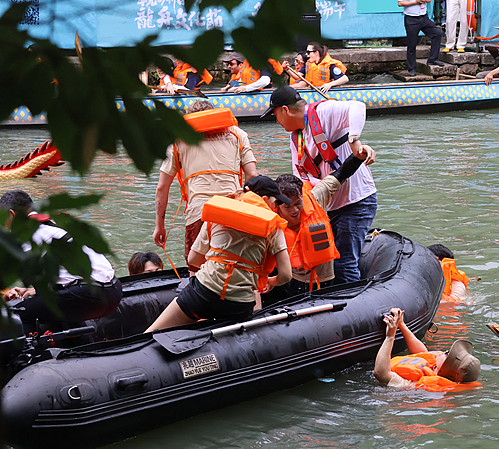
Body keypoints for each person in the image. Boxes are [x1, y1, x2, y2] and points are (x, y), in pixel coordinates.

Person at [145, 176, 292, 332]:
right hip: (239, 304)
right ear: (264, 199)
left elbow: (193, 259)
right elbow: (286, 275)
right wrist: (271, 282)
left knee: (152, 333)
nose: (276, 207)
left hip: (203, 293)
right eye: (276, 202)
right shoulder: (274, 227)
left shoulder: (218, 214)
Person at [264, 86, 377, 284]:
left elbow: (358, 107)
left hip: (355, 201)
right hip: (327, 205)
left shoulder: (323, 112)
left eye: (275, 115)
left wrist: (354, 139)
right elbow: (301, 178)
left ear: (285, 110)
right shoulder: (296, 138)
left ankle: (350, 307)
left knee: (345, 263)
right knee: (329, 261)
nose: (277, 121)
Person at [153, 100, 258, 274]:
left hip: (199, 213)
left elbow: (162, 188)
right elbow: (253, 177)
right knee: (242, 270)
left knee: (198, 272)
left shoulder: (178, 140)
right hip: (235, 211)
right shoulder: (238, 134)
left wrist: (160, 225)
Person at [1, 190, 122, 332]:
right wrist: (33, 291)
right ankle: (82, 345)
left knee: (19, 311)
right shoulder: (54, 222)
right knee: (54, 307)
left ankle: (26, 353)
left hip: (88, 294)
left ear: (11, 214)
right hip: (114, 291)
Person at [260, 151, 370, 306]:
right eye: (288, 206)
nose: (295, 210)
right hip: (293, 281)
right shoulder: (270, 215)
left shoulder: (315, 198)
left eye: (298, 203)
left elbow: (341, 174)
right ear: (278, 205)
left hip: (324, 280)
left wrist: (359, 155)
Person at [373, 308, 481, 391]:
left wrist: (390, 336)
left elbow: (381, 373)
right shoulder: (435, 366)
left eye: (448, 354)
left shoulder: (414, 384)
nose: (444, 351)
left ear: (442, 370)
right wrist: (401, 325)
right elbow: (421, 354)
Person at [398, 0, 445, 76]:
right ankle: (411, 68)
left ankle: (433, 59)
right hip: (411, 18)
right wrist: (416, 2)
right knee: (412, 44)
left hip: (424, 17)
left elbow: (429, 0)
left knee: (437, 33)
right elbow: (400, 3)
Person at [283, 42, 349, 94]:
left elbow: (345, 78)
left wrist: (330, 84)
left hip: (323, 93)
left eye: (308, 52)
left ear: (316, 52)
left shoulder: (329, 65)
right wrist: (287, 69)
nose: (306, 55)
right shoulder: (308, 64)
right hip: (313, 92)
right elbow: (297, 77)